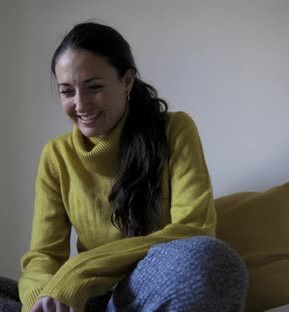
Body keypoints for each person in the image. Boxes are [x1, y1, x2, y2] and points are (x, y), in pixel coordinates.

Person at [18, 22, 248, 312]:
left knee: (215, 260)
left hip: (149, 289)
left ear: (126, 81)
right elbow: (43, 256)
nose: (80, 104)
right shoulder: (56, 155)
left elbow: (194, 230)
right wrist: (41, 300)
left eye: (94, 87)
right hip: (89, 301)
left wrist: (78, 272)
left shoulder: (175, 130)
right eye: (67, 91)